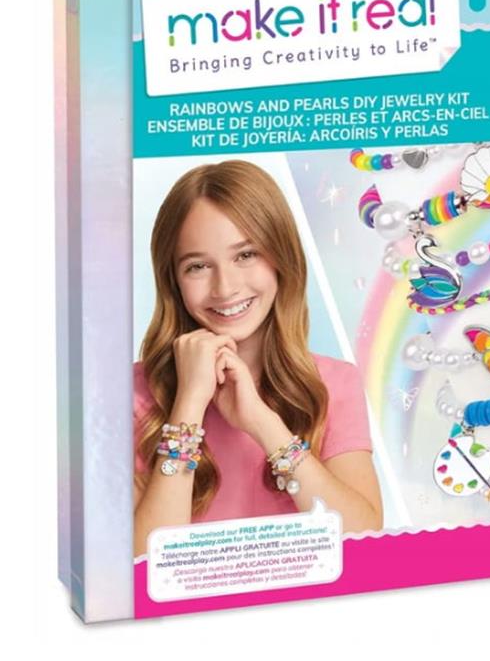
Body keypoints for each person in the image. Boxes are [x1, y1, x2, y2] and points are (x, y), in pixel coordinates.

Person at [133, 160, 382, 556]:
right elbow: (145, 559)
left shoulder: (334, 383)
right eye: (198, 266)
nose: (226, 287)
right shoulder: (131, 393)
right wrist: (188, 405)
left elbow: (362, 540)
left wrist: (265, 425)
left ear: (281, 257)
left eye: (246, 255)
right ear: (173, 281)